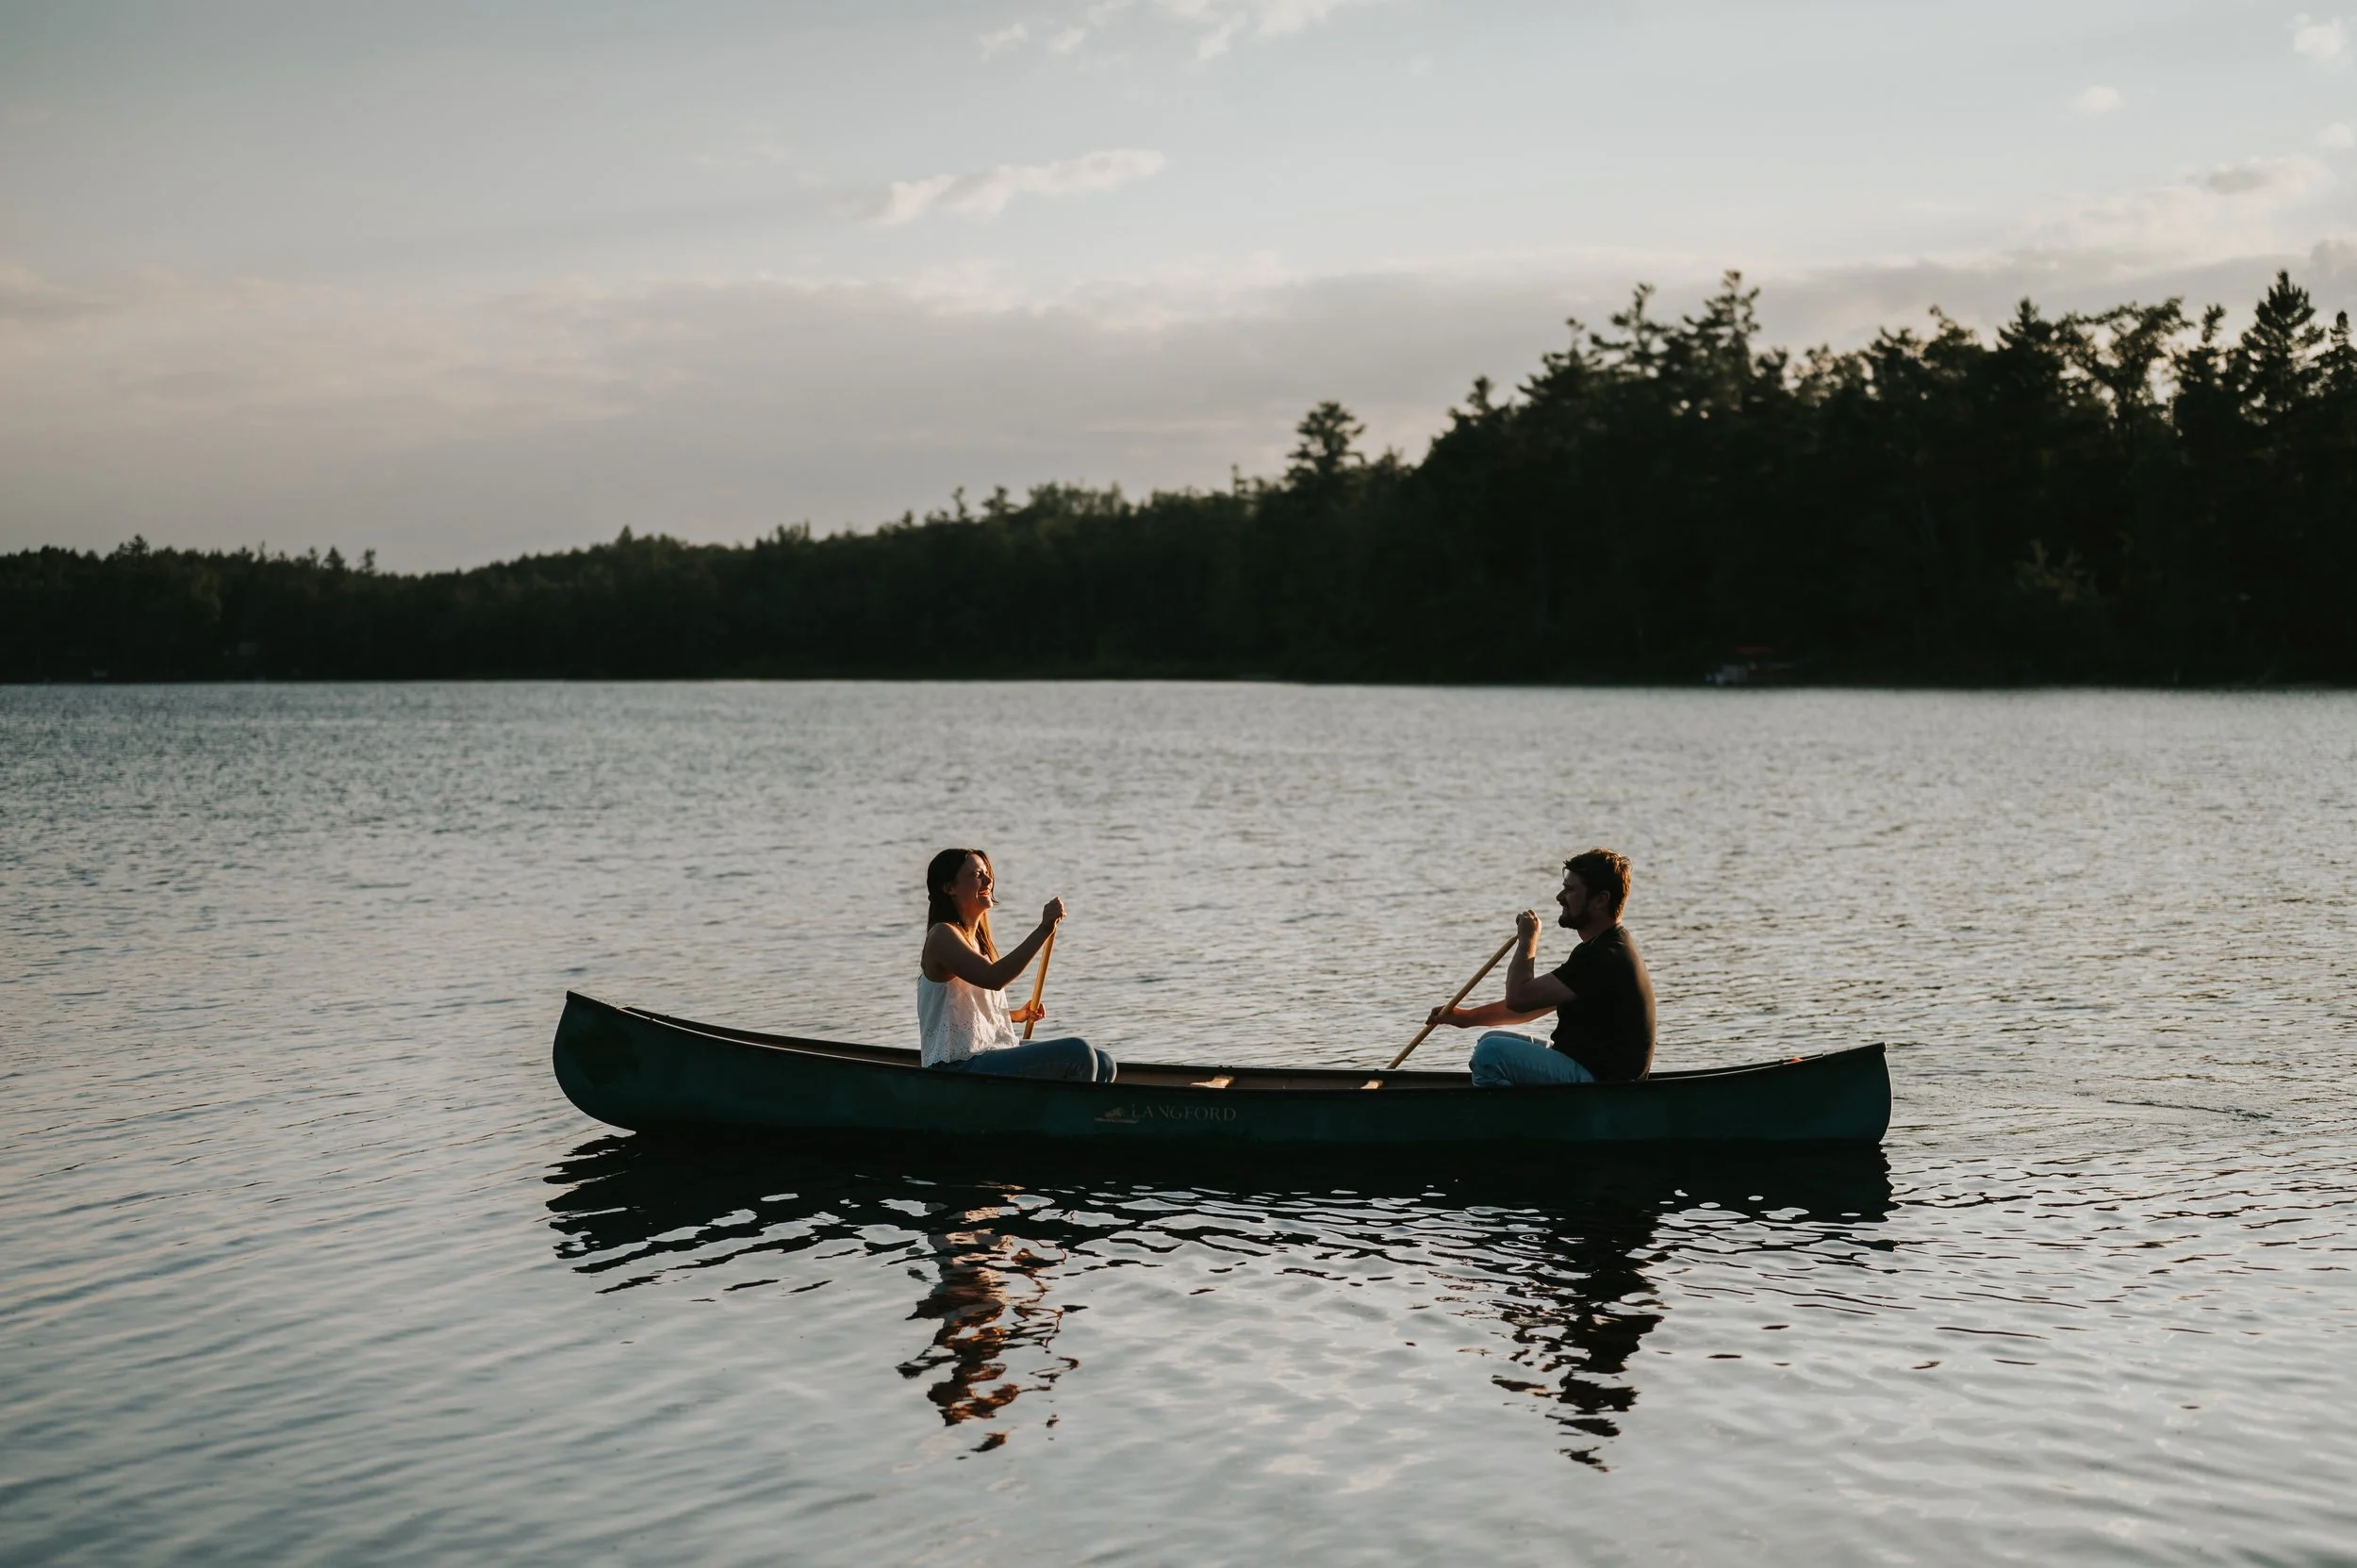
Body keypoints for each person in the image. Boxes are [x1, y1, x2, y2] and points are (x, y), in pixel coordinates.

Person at [1426, 848, 1656, 1087]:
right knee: (1490, 1039)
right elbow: (1531, 1004)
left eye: (1570, 890)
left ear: (1600, 900)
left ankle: (1506, 1112)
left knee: (1490, 1053)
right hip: (1585, 1067)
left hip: (1603, 1083)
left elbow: (1518, 998)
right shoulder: (1604, 947)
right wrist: (1466, 1018)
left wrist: (1528, 940)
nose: (1560, 897)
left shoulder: (1605, 955)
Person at [918, 848, 1116, 1082]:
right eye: (977, 875)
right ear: (949, 887)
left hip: (985, 1052)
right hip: (955, 1066)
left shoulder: (976, 941)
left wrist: (1014, 1015)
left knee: (1104, 1062)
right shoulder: (942, 935)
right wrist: (1044, 929)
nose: (988, 880)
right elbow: (993, 978)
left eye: (987, 873)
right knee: (1078, 1054)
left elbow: (963, 1011)